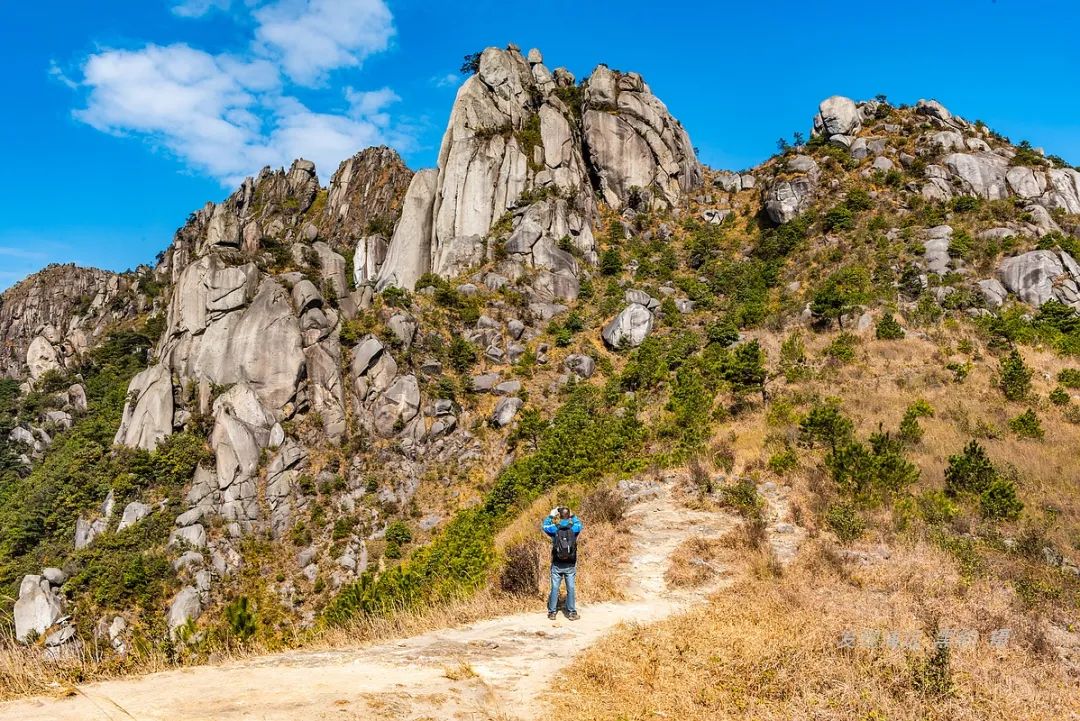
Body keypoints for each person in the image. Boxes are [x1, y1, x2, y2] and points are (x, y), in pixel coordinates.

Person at [542, 506, 582, 620]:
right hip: (570, 563)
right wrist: (573, 516)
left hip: (557, 563)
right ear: (568, 516)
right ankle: (572, 613)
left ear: (559, 516)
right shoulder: (574, 528)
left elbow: (544, 526)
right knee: (571, 587)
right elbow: (580, 524)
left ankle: (552, 612)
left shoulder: (554, 528)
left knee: (555, 587)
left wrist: (551, 515)